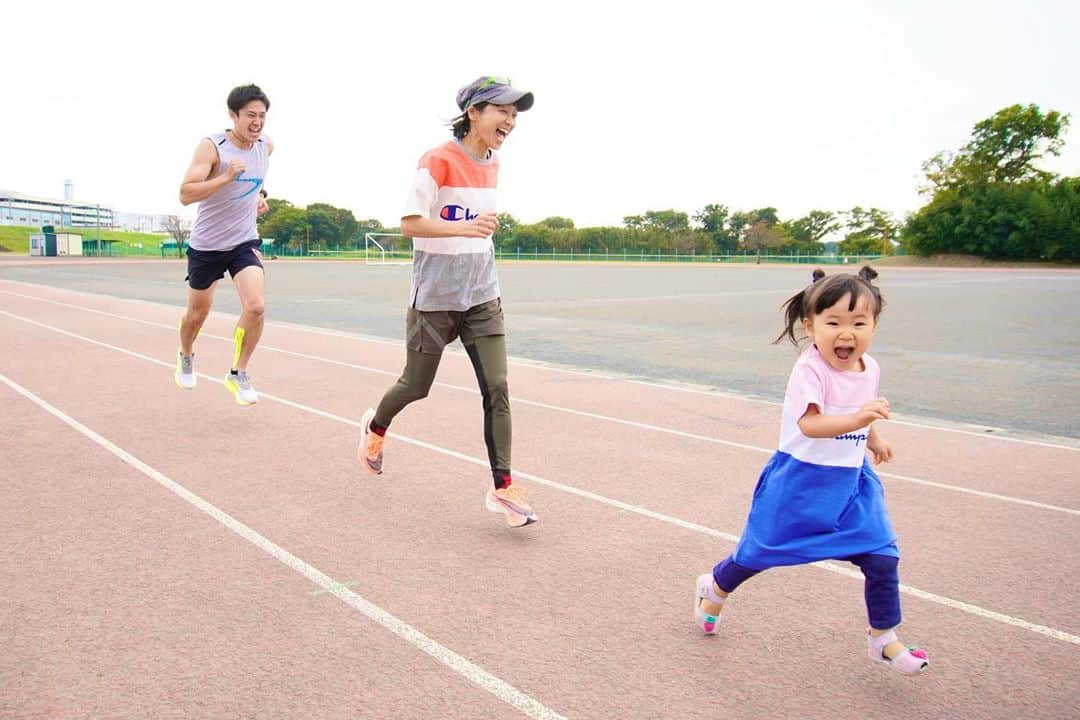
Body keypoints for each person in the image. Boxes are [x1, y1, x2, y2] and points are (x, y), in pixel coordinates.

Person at [693, 267, 929, 675]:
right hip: (800, 481)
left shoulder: (869, 368)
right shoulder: (810, 370)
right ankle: (714, 587)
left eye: (859, 323)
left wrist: (872, 439)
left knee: (882, 557)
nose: (846, 334)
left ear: (874, 325)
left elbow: (857, 410)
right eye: (833, 322)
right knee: (758, 554)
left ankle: (883, 639)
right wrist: (859, 421)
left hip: (851, 483)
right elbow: (812, 425)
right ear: (810, 324)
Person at [357, 76, 537, 528]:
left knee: (497, 387)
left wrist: (476, 231)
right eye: (503, 112)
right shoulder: (436, 160)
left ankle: (503, 489)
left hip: (481, 296)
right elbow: (409, 223)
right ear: (473, 112)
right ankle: (375, 429)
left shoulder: (494, 163)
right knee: (415, 386)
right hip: (434, 300)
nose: (510, 122)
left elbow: (477, 228)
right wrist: (465, 226)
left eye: (515, 115)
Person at [174, 84, 273, 406]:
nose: (257, 122)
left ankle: (237, 372)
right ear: (233, 115)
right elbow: (186, 194)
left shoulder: (266, 146)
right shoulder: (212, 147)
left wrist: (260, 196)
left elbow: (259, 177)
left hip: (243, 240)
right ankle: (186, 353)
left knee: (256, 306)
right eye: (250, 116)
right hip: (207, 245)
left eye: (262, 116)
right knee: (197, 314)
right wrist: (226, 178)